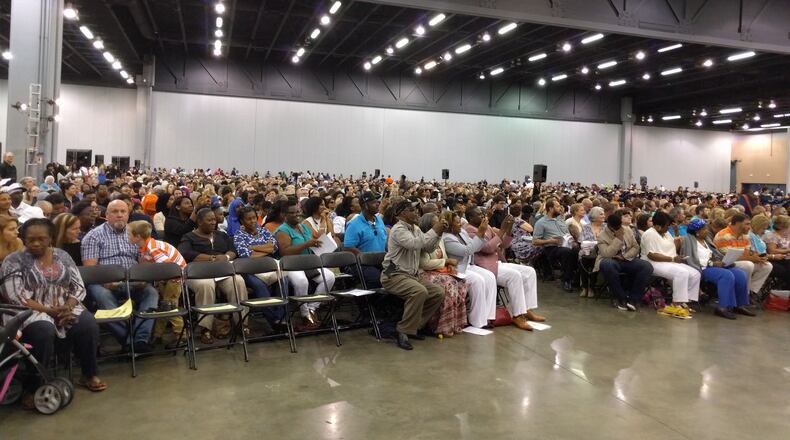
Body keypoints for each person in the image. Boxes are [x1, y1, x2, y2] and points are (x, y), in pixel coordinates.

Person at [1, 218, 106, 402]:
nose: (35, 243)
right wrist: (50, 311)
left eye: (41, 239)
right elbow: (16, 296)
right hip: (27, 312)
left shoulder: (62, 256)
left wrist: (69, 306)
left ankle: (89, 374)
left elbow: (78, 286)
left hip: (63, 307)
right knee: (43, 330)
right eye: (30, 239)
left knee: (87, 323)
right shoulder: (14, 260)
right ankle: (33, 387)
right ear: (24, 239)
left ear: (51, 238)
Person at [81, 200, 159, 353]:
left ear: (128, 215)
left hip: (133, 280)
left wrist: (143, 275)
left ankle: (140, 340)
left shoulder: (136, 234)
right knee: (102, 295)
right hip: (104, 282)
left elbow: (143, 260)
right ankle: (129, 340)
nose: (119, 215)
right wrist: (106, 281)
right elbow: (90, 270)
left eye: (123, 212)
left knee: (151, 293)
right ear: (107, 215)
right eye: (115, 212)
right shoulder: (93, 236)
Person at [465, 206, 544, 331]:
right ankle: (517, 315)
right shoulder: (469, 230)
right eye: (479, 214)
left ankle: (526, 309)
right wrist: (501, 231)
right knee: (514, 276)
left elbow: (503, 245)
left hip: (497, 262)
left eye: (482, 213)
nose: (483, 216)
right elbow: (487, 248)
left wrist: (508, 231)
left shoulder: (487, 227)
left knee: (529, 271)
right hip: (485, 266)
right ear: (470, 218)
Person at [380, 200, 446, 350]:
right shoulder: (398, 230)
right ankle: (403, 331)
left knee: (437, 293)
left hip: (411, 275)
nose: (417, 213)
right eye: (413, 210)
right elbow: (414, 244)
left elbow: (427, 247)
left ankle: (414, 326)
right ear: (403, 214)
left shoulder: (415, 229)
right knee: (419, 291)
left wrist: (438, 233)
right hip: (393, 275)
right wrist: (434, 230)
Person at [178, 208, 249, 344]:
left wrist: (227, 257)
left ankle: (242, 324)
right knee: (206, 285)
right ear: (199, 222)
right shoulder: (188, 237)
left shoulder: (221, 235)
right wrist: (211, 258)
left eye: (214, 219)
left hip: (222, 271)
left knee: (238, 281)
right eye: (209, 220)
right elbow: (186, 254)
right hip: (198, 273)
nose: (213, 222)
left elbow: (233, 250)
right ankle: (205, 328)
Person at [274, 200, 336, 329]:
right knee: (302, 281)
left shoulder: (304, 227)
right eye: (293, 213)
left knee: (329, 277)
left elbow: (314, 240)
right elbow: (285, 252)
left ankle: (312, 308)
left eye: (298, 211)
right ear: (284, 215)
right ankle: (305, 315)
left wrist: (320, 242)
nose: (297, 214)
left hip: (307, 262)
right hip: (291, 264)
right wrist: (307, 244)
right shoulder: (282, 230)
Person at [126, 220, 186, 345]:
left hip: (174, 279)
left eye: (128, 234)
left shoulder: (152, 248)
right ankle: (158, 334)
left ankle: (182, 335)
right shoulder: (144, 247)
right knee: (162, 306)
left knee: (169, 307)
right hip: (166, 279)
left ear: (137, 237)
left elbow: (170, 268)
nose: (127, 237)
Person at [680, 219, 754, 320]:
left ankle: (738, 305)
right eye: (704, 229)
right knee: (726, 275)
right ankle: (722, 307)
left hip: (714, 264)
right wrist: (712, 263)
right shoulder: (688, 241)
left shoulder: (706, 240)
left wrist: (724, 261)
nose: (707, 230)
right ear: (697, 232)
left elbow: (715, 253)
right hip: (702, 268)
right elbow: (690, 258)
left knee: (740, 274)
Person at [442, 211, 497, 329]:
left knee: (490, 277)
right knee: (478, 281)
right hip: (458, 268)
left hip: (469, 265)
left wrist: (479, 237)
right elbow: (467, 250)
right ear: (449, 225)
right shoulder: (446, 238)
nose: (460, 225)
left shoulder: (461, 232)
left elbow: (474, 246)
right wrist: (481, 232)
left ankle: (488, 317)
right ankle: (477, 320)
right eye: (457, 223)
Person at [640, 211, 700, 318]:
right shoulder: (649, 234)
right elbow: (651, 255)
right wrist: (672, 258)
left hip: (669, 261)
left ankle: (685, 301)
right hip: (653, 263)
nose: (668, 228)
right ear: (658, 226)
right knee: (681, 273)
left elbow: (674, 248)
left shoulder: (666, 233)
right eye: (667, 226)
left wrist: (676, 234)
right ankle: (676, 303)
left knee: (695, 274)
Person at [233, 206, 285, 327]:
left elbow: (274, 247)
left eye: (254, 218)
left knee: (284, 280)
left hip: (269, 267)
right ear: (242, 221)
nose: (252, 221)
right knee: (259, 286)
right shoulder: (239, 234)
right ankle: (274, 320)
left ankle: (281, 317)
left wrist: (252, 247)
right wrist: (265, 249)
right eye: (248, 219)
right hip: (250, 270)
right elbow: (245, 255)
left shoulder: (264, 231)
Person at [417, 213, 467, 337]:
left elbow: (444, 256)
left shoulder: (439, 238)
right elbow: (424, 263)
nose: (440, 225)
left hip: (439, 270)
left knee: (461, 282)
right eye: (436, 223)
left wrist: (449, 265)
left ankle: (454, 323)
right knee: (449, 285)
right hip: (424, 272)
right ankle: (440, 326)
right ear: (429, 226)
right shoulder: (422, 239)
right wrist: (446, 262)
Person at [595, 214, 653, 311]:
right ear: (609, 226)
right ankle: (620, 297)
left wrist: (624, 256)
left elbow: (636, 247)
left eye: (619, 226)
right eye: (616, 228)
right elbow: (606, 254)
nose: (619, 229)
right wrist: (618, 239)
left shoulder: (627, 229)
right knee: (607, 264)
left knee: (646, 266)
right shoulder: (601, 236)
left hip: (626, 259)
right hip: (611, 260)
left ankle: (634, 299)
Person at [714, 213, 773, 295]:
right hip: (725, 264)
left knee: (767, 266)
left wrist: (758, 258)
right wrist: (752, 258)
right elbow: (728, 258)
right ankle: (745, 293)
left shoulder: (745, 236)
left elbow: (747, 253)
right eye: (747, 224)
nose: (749, 227)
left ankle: (752, 292)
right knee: (748, 265)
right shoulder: (723, 235)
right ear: (738, 224)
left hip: (741, 261)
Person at [343, 191, 388, 287]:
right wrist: (366, 258)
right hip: (362, 263)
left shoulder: (379, 220)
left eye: (377, 202)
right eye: (373, 203)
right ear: (365, 206)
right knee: (377, 278)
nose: (377, 204)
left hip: (381, 260)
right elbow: (348, 247)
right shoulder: (354, 224)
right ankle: (364, 299)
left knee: (395, 277)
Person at [533, 199, 579, 291]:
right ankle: (567, 280)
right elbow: (535, 241)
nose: (560, 208)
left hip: (565, 243)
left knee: (578, 249)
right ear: (550, 208)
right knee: (567, 252)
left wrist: (571, 239)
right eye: (557, 206)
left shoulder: (560, 220)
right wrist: (550, 240)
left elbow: (566, 233)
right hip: (552, 247)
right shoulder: (541, 222)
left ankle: (574, 277)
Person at [578, 206, 605, 298]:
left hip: (601, 253)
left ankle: (591, 287)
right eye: (601, 214)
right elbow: (581, 240)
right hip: (587, 252)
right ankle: (585, 287)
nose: (603, 216)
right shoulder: (586, 227)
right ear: (595, 216)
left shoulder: (606, 227)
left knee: (595, 261)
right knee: (583, 259)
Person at [763, 214, 790, 288]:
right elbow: (772, 251)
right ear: (782, 227)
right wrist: (787, 250)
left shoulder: (787, 234)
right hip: (776, 258)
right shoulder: (771, 236)